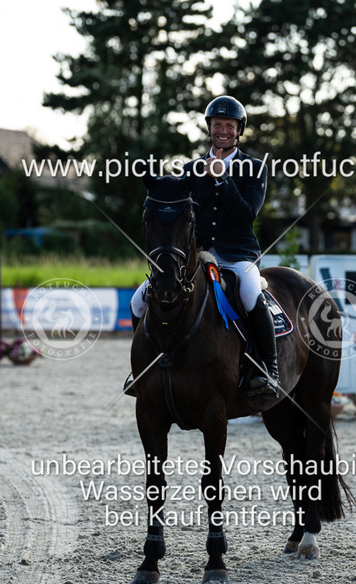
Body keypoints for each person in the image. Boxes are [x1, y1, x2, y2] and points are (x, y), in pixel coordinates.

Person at [129, 95, 278, 397]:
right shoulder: (191, 168)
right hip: (195, 256)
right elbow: (176, 209)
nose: (223, 130)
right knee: (137, 302)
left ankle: (268, 369)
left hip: (237, 255)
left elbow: (246, 214)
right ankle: (144, 366)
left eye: (229, 126)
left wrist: (223, 179)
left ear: (239, 130)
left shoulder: (254, 168)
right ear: (209, 128)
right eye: (217, 125)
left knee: (250, 293)